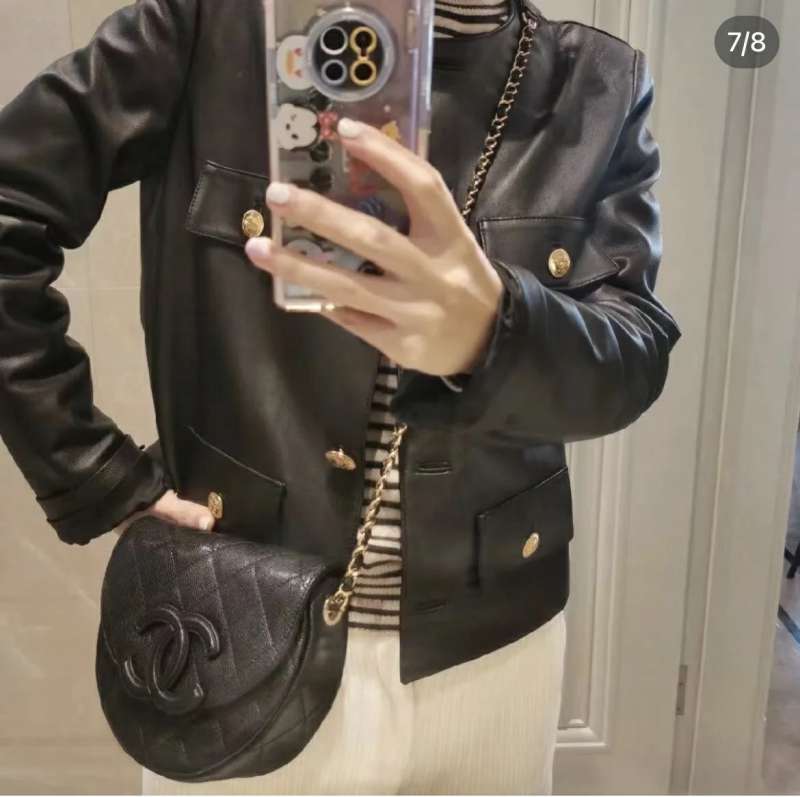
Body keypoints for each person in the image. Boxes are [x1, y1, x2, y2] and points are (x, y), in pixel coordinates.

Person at [0, 0, 682, 793]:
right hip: (238, 630)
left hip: (499, 655)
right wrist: (95, 476)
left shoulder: (597, 84)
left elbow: (633, 356)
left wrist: (494, 331)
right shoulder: (216, 25)